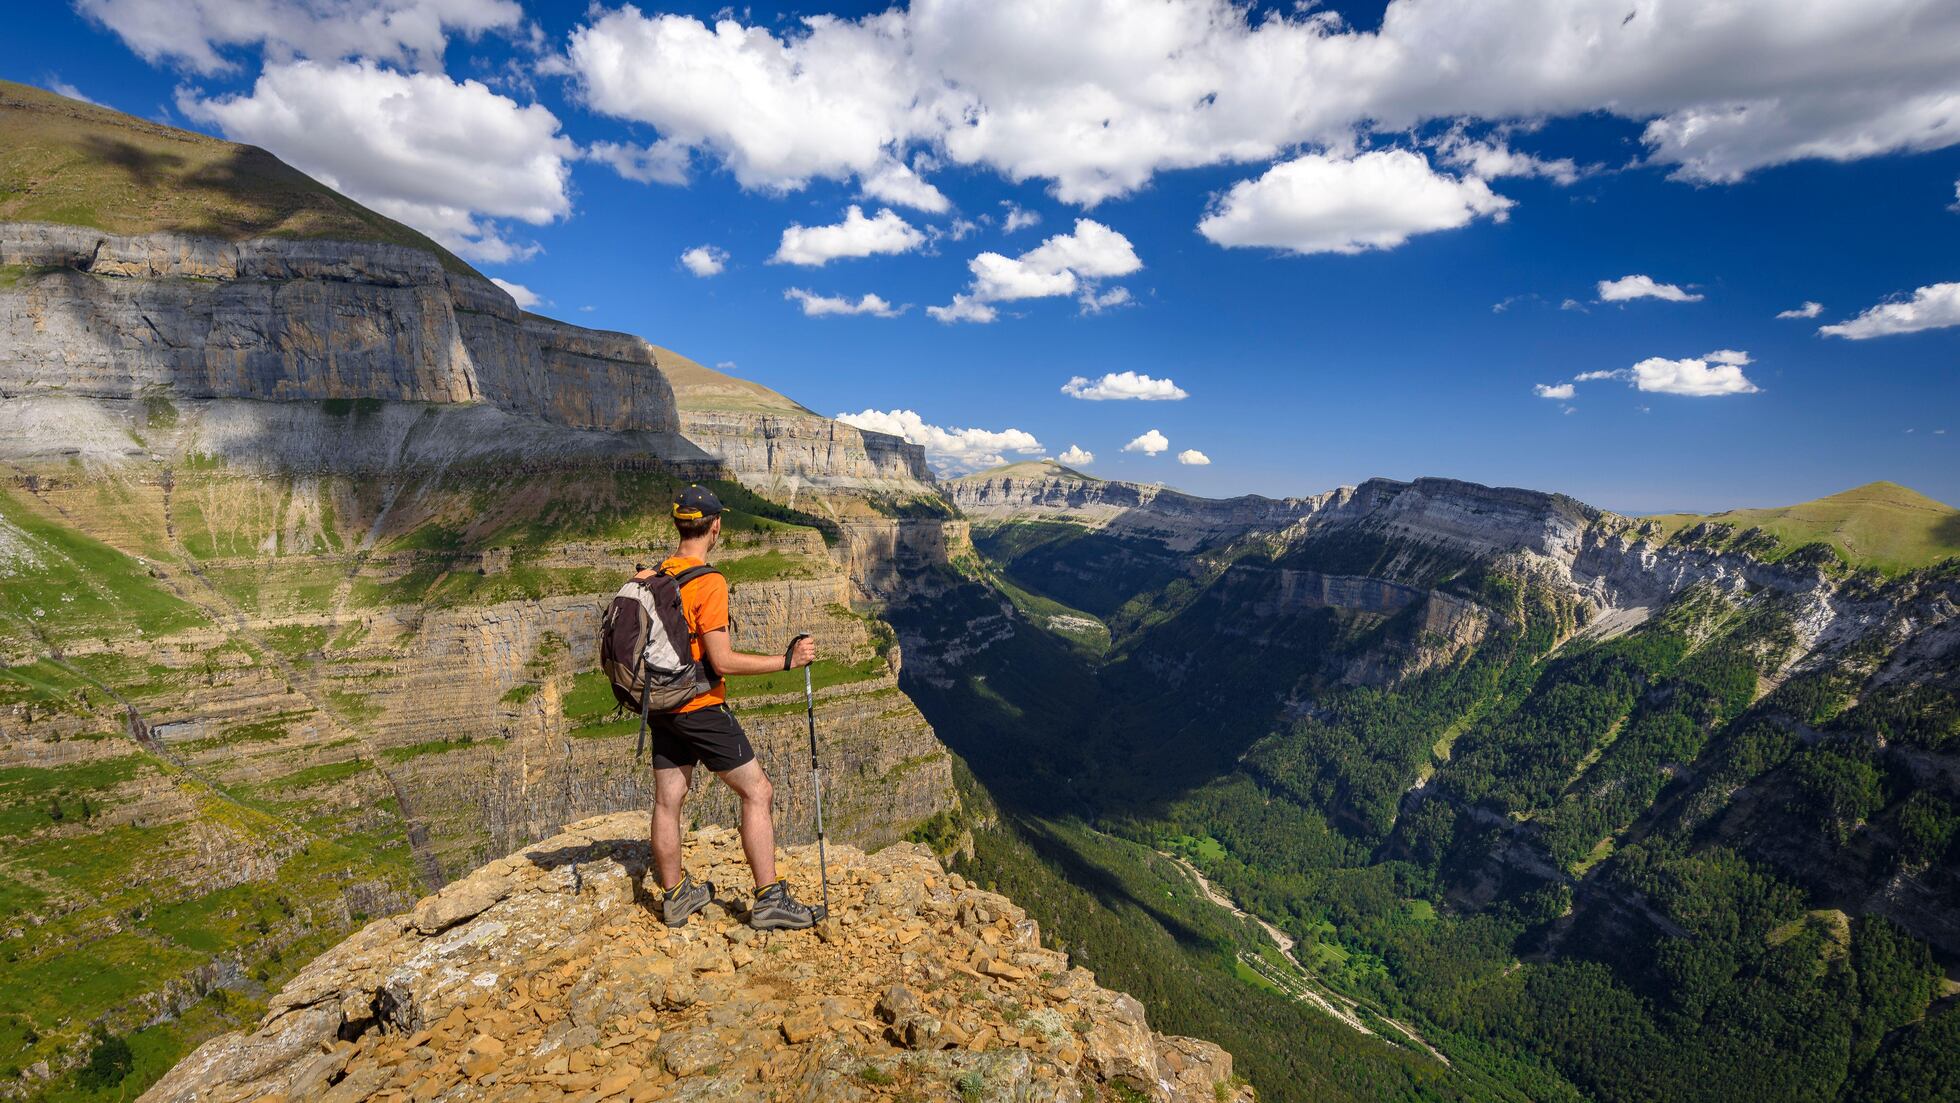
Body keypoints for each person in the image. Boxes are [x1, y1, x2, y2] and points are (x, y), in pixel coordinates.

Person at [646, 484, 824, 931]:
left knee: (668, 800)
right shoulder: (708, 581)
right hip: (700, 706)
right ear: (716, 525)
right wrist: (787, 661)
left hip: (662, 702)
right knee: (758, 791)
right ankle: (768, 898)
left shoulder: (655, 574)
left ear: (678, 524)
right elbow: (721, 661)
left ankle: (674, 897)